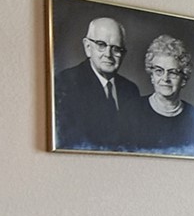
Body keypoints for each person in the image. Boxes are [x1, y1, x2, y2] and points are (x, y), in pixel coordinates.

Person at [53, 15, 152, 151]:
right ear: (88, 47)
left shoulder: (130, 90)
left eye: (116, 48)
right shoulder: (65, 83)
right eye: (101, 45)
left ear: (123, 54)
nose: (108, 54)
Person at [138, 35, 194, 156]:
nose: (165, 78)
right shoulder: (133, 109)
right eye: (159, 71)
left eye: (173, 72)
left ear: (183, 79)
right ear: (152, 76)